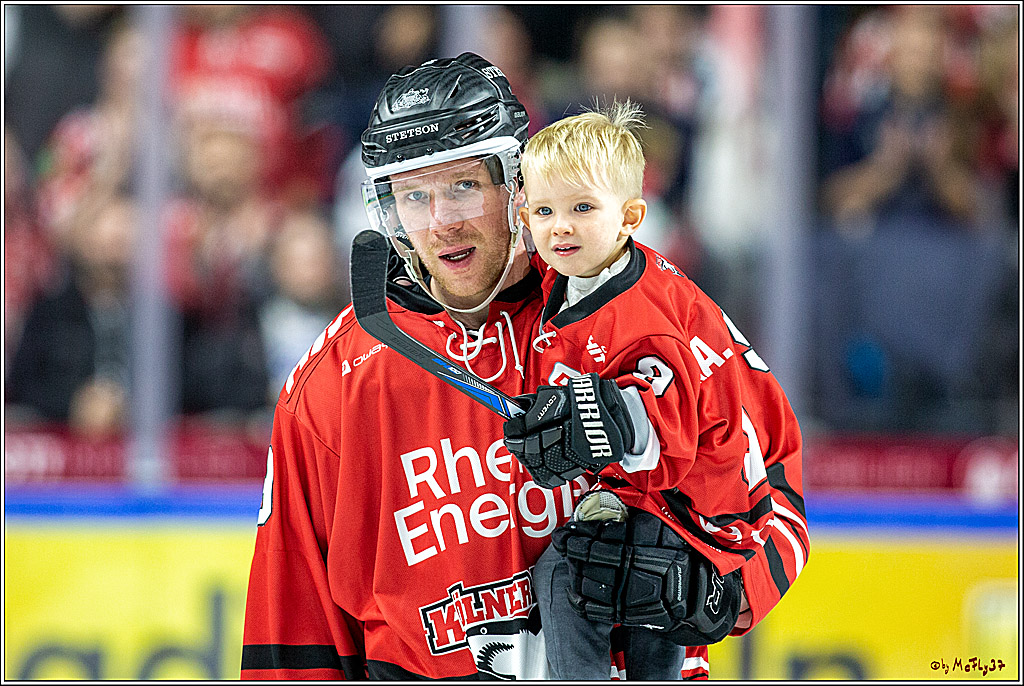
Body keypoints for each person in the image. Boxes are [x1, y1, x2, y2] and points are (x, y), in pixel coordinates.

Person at [242, 52, 809, 680]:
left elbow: (774, 497)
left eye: (464, 184)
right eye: (413, 194)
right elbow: (291, 630)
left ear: (517, 184)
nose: (442, 222)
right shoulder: (336, 380)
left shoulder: (643, 306)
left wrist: (715, 596)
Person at [502, 101, 801, 679]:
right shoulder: (578, 273)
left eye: (581, 208)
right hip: (677, 493)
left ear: (630, 216)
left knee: (570, 572)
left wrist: (594, 421)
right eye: (543, 210)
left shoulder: (643, 319)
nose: (559, 225)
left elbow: (663, 444)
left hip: (699, 509)